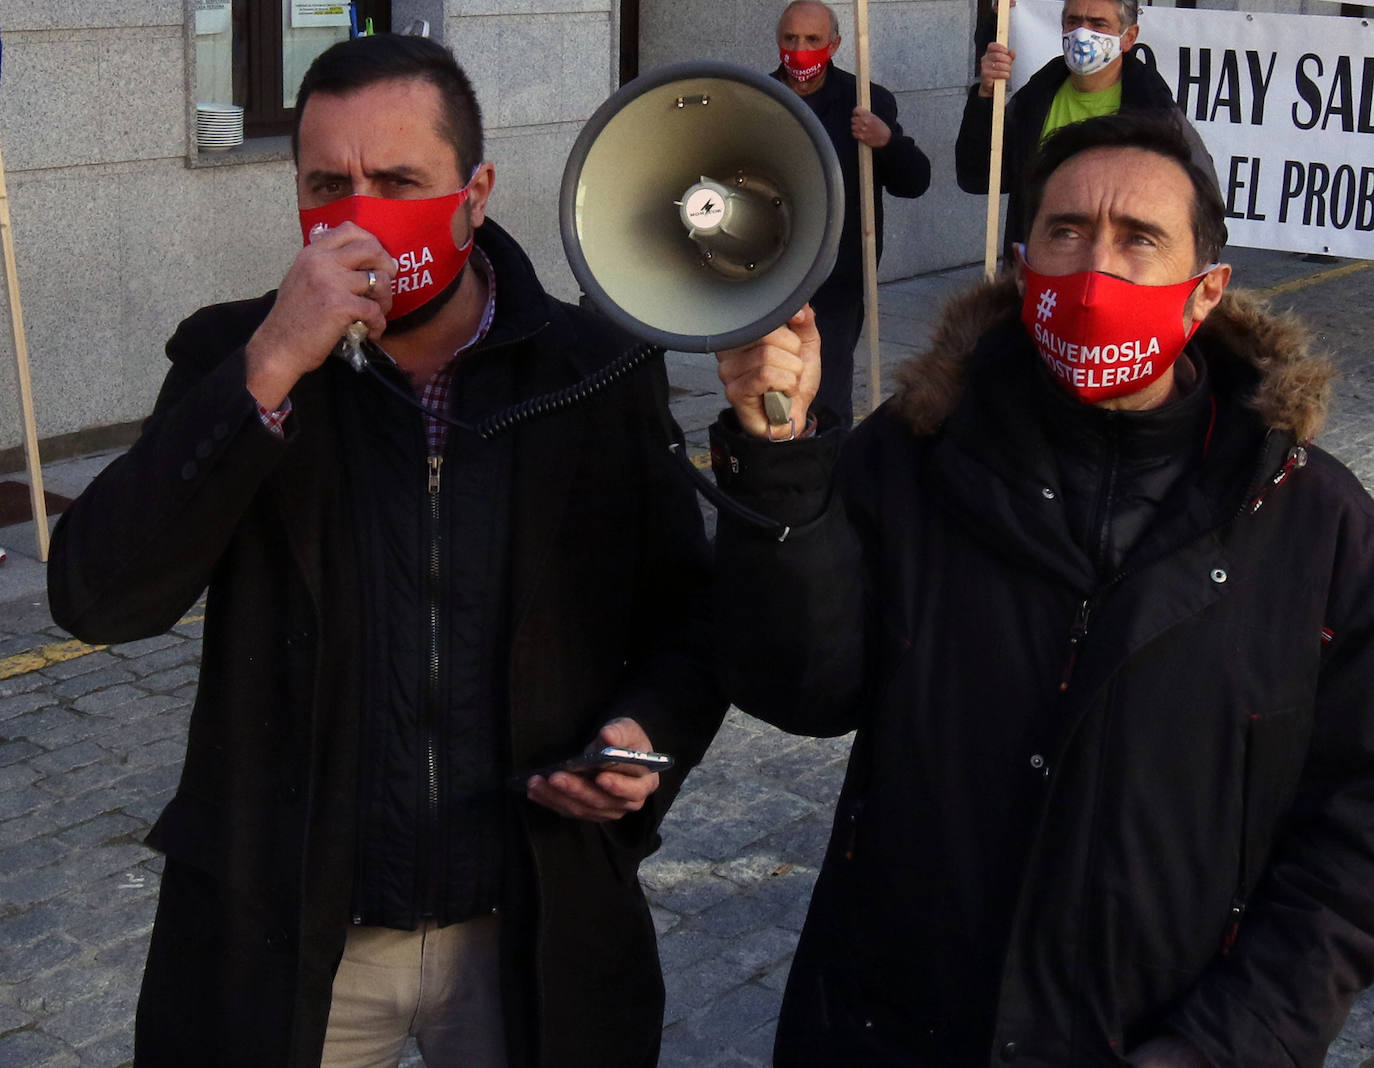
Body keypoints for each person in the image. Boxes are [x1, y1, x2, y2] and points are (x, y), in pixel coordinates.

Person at [47, 33, 725, 1068]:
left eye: (399, 180)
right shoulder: (232, 354)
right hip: (297, 933)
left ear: (474, 193)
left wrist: (646, 735)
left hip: (526, 918)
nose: (359, 213)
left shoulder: (594, 367)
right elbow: (100, 597)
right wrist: (270, 366)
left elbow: (687, 611)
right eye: (328, 184)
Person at [709, 112, 1374, 1066]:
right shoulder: (913, 451)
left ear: (1205, 293)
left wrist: (1234, 1043)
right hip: (892, 1027)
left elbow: (1354, 834)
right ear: (1023, 264)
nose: (1094, 268)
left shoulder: (1317, 523)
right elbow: (802, 689)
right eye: (1065, 231)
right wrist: (780, 463)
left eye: (1139, 239)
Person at [956, 0, 1213, 267]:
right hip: (1038, 281)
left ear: (1128, 38)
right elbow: (978, 176)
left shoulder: (1156, 112)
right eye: (1073, 21)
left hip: (1118, 280)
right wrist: (986, 96)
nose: (1082, 32)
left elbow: (1205, 212)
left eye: (1098, 24)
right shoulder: (1035, 99)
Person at [771, 0, 931, 426]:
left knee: (825, 390)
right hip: (769, 272)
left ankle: (829, 477)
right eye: (790, 39)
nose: (799, 49)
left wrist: (886, 143)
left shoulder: (865, 101)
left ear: (835, 44)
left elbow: (914, 183)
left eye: (812, 40)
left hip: (836, 275)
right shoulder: (759, 98)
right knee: (773, 389)